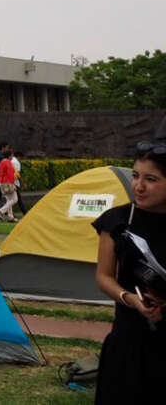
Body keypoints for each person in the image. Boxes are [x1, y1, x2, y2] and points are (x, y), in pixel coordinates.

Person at [92, 141, 166, 401]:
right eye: (135, 176)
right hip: (128, 339)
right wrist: (130, 299)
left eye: (151, 179)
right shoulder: (117, 220)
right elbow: (103, 276)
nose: (139, 186)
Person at [0, 151, 18, 222]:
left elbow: (0, 173)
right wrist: (13, 183)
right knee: (14, 199)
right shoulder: (8, 163)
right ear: (9, 156)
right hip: (8, 183)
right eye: (12, 155)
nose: (13, 157)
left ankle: (10, 217)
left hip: (2, 182)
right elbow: (11, 174)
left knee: (9, 200)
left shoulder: (2, 162)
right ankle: (1, 211)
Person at [10, 150, 27, 216]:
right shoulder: (16, 162)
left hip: (10, 182)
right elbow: (18, 174)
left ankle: (9, 213)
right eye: (21, 158)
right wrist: (23, 182)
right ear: (19, 157)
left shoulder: (11, 160)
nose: (21, 160)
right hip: (14, 183)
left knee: (12, 199)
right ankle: (25, 212)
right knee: (17, 199)